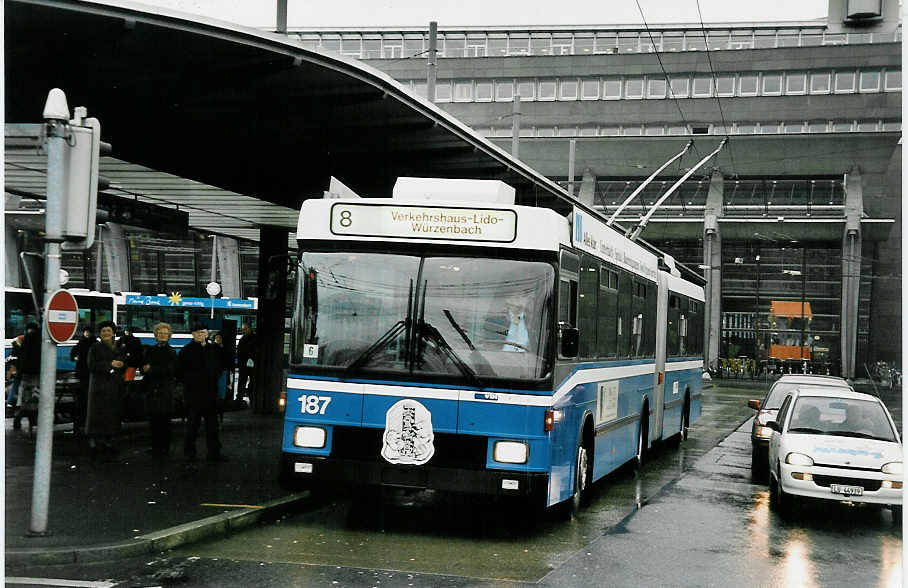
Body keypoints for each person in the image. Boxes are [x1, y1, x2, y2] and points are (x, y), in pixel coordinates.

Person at [179, 323, 227, 462]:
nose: (201, 335)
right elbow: (180, 372)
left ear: (207, 333)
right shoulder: (186, 351)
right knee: (192, 426)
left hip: (210, 394)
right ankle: (189, 453)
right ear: (193, 334)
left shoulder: (215, 349)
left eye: (203, 332)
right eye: (198, 332)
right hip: (193, 394)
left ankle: (214, 453)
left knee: (212, 426)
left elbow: (222, 366)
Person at [85, 320, 126, 455]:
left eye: (109, 331)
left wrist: (120, 365)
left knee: (111, 413)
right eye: (103, 331)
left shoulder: (118, 347)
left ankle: (108, 440)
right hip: (98, 386)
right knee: (96, 413)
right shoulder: (94, 347)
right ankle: (94, 441)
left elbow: (123, 363)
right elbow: (92, 365)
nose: (106, 333)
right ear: (100, 334)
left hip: (113, 385)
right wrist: (111, 365)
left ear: (113, 333)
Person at [142, 322, 178, 457]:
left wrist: (151, 369)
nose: (162, 335)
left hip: (164, 390)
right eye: (160, 333)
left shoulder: (172, 352)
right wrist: (147, 369)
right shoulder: (150, 350)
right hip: (152, 389)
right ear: (155, 335)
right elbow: (143, 366)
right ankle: (155, 447)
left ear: (169, 336)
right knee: (153, 421)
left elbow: (170, 370)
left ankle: (164, 449)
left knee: (164, 421)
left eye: (165, 333)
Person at [14, 323, 42, 431]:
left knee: (26, 399)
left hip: (25, 374)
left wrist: (20, 372)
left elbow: (22, 358)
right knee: (34, 398)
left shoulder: (26, 340)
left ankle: (19, 418)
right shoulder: (38, 341)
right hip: (35, 373)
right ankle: (30, 420)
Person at [69, 327, 95, 436]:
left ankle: (80, 424)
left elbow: (73, 353)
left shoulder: (87, 343)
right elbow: (73, 353)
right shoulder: (89, 343)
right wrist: (74, 357)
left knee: (82, 400)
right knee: (84, 399)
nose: (87, 333)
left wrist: (75, 358)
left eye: (88, 332)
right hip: (86, 373)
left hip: (86, 373)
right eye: (86, 332)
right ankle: (82, 423)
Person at [236, 323, 256, 404]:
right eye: (243, 329)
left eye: (245, 329)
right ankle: (243, 398)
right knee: (244, 381)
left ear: (250, 328)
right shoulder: (244, 339)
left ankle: (242, 398)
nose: (244, 331)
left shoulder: (244, 339)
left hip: (248, 364)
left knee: (247, 381)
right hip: (247, 364)